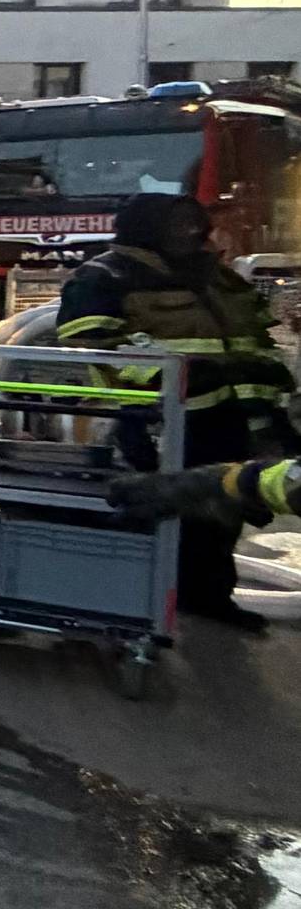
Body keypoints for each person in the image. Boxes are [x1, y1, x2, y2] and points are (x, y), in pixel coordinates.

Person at [58, 193, 297, 631]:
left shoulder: (219, 277)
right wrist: (165, 378)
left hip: (232, 416)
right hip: (158, 421)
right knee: (152, 509)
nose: (190, 232)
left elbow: (256, 340)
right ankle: (126, 607)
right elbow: (89, 343)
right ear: (144, 227)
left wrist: (270, 404)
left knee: (221, 514)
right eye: (177, 224)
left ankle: (208, 598)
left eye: (195, 223)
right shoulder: (104, 275)